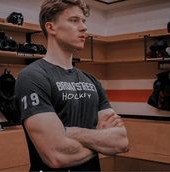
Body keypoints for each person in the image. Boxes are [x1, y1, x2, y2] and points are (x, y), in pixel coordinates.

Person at [15, 0, 129, 171]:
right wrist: (101, 138)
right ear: (51, 27)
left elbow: (121, 141)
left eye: (84, 21)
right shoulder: (32, 77)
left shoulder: (92, 81)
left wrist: (69, 132)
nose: (83, 28)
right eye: (74, 20)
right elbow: (57, 156)